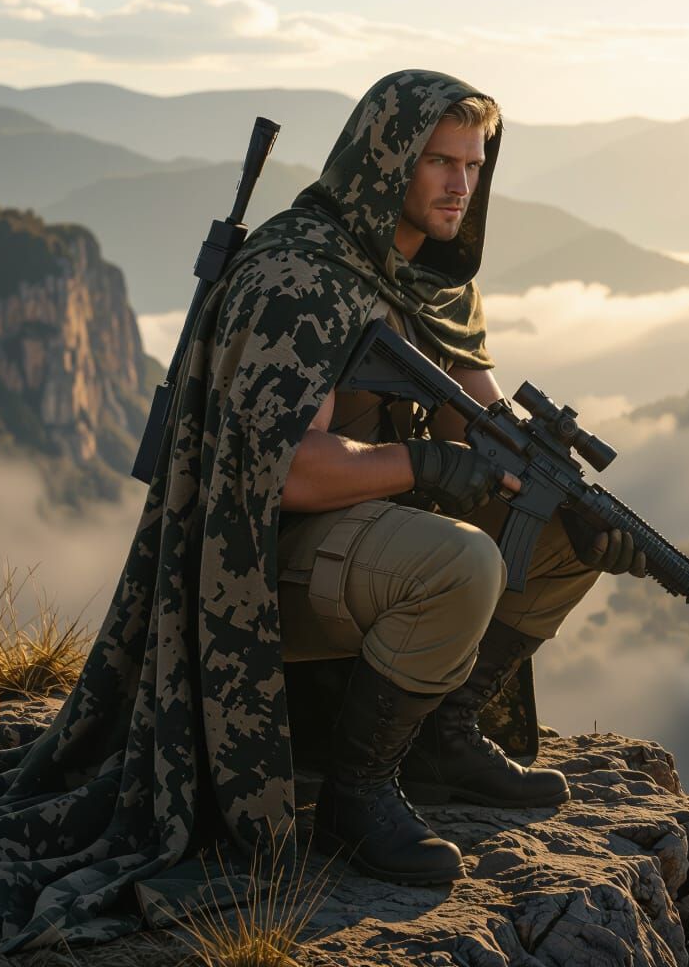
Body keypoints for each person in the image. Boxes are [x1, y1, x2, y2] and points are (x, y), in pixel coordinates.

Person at [261, 69, 647, 884]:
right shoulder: (307, 277)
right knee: (463, 562)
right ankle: (354, 793)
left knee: (558, 536)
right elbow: (294, 473)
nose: (460, 185)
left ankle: (443, 736)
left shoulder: (434, 280)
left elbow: (477, 416)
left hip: (367, 547)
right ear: (385, 159)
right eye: (439, 162)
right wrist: (428, 463)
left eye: (473, 165)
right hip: (265, 575)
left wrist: (572, 504)